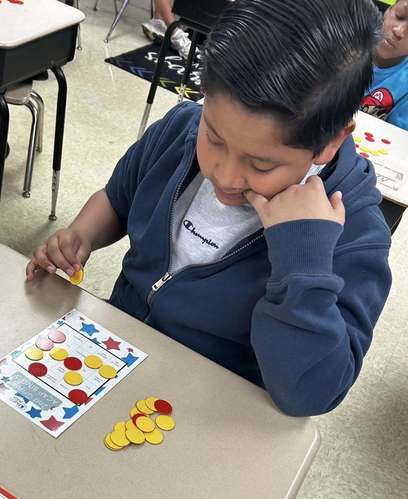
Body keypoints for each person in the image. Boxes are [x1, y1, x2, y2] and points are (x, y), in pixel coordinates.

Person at [26, 0, 392, 418]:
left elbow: (311, 393)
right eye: (214, 138)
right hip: (119, 358)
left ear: (331, 142)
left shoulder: (355, 232)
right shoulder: (181, 128)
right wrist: (81, 235)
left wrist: (303, 265)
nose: (225, 176)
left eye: (261, 164)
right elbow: (118, 197)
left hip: (210, 410)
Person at [361, 0, 408, 127]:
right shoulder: (348, 38)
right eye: (399, 16)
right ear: (388, 10)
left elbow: (397, 138)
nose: (399, 31)